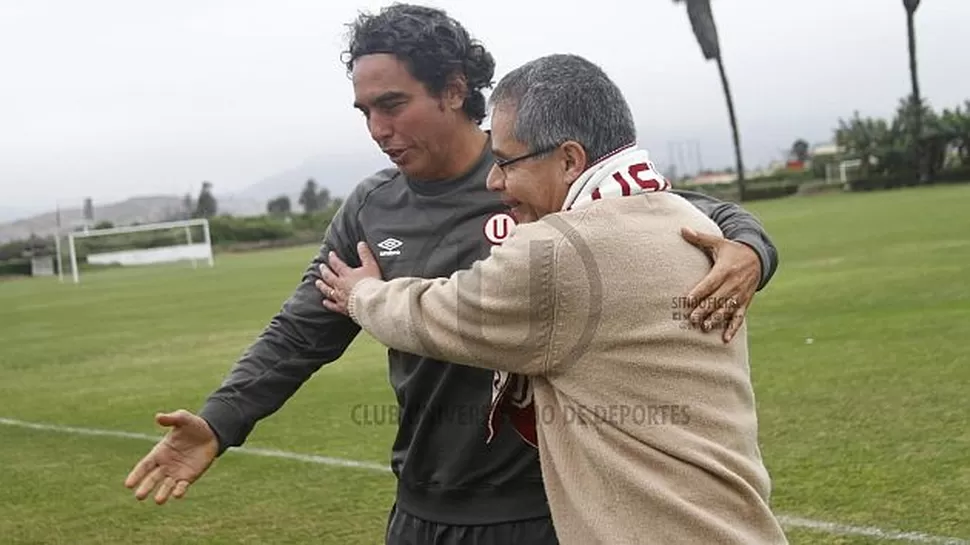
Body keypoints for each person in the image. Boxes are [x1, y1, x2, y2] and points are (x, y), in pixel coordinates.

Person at [123, 4, 779, 544]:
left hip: (549, 506)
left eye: (392, 103)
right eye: (365, 112)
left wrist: (749, 248)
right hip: (424, 502)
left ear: (456, 90)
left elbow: (685, 214)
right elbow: (303, 327)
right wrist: (221, 417)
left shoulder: (545, 180)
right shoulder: (372, 206)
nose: (379, 129)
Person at [316, 52, 789, 545]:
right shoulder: (684, 220)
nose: (493, 182)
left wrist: (361, 294)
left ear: (569, 160)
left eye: (504, 163)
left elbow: (433, 314)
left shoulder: (559, 252)